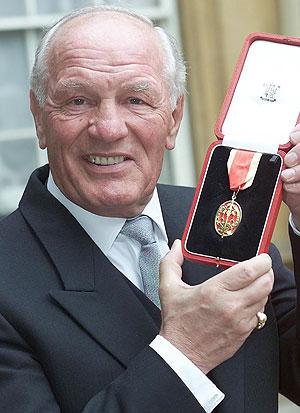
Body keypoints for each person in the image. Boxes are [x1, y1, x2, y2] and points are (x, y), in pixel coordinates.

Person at [0, 5, 300, 412]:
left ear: (174, 117)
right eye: (78, 101)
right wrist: (185, 355)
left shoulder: (228, 213)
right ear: (39, 117)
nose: (108, 128)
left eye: (136, 100)